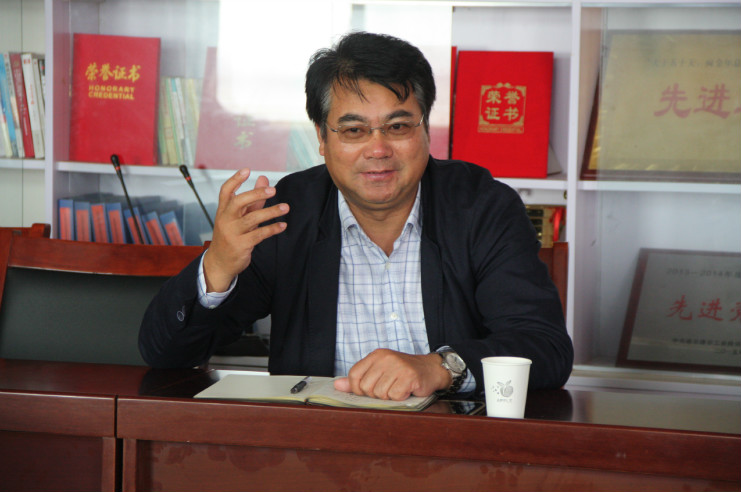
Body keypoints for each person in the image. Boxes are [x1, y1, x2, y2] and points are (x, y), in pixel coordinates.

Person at [139, 31, 573, 401]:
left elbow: (545, 348)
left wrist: (440, 367)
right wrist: (217, 266)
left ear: (426, 129)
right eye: (353, 130)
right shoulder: (285, 214)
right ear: (322, 138)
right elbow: (166, 356)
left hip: (453, 443)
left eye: (398, 127)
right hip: (317, 446)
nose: (378, 149)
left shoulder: (482, 207)